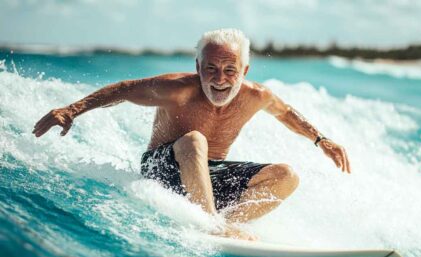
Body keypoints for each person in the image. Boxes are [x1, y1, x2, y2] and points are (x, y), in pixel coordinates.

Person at [31, 29, 350, 240]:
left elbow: (285, 113)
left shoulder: (257, 96)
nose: (220, 79)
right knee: (196, 139)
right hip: (162, 169)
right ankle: (211, 225)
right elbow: (125, 90)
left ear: (245, 72)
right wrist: (72, 109)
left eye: (230, 70)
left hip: (208, 178)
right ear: (198, 67)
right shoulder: (177, 90)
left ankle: (228, 228)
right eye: (210, 68)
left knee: (286, 176)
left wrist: (321, 140)